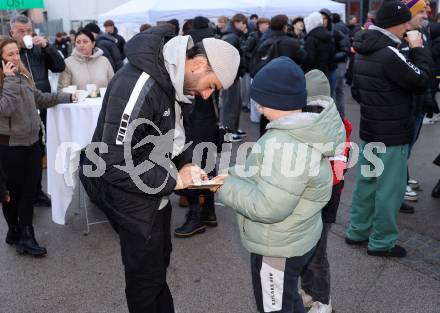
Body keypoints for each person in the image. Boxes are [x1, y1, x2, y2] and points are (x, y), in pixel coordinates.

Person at [79, 27, 240, 313]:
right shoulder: (141, 83)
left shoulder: (171, 77)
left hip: (154, 191)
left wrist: (187, 164)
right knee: (145, 280)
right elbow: (112, 160)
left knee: (157, 269)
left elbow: (174, 135)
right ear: (199, 64)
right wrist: (174, 180)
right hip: (131, 196)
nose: (205, 95)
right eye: (210, 85)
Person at [214, 56, 345, 313]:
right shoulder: (303, 129)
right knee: (288, 298)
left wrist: (224, 188)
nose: (258, 108)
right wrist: (233, 174)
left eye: (261, 101)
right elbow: (269, 173)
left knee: (275, 306)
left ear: (278, 101)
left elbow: (269, 207)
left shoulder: (284, 142)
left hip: (277, 245)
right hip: (296, 236)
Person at [346, 1, 431, 258]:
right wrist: (418, 49)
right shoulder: (389, 53)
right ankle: (382, 242)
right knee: (389, 190)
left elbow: (356, 91)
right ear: (396, 23)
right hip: (392, 134)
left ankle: (357, 230)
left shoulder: (363, 49)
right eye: (406, 21)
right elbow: (421, 79)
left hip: (372, 130)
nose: (409, 25)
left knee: (367, 183)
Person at [0, 38, 73, 256]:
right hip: (9, 146)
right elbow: (6, 109)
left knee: (29, 191)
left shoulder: (23, 75)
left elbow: (38, 99)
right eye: (10, 54)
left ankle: (22, 233)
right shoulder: (10, 80)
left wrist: (66, 97)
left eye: (16, 53)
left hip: (32, 142)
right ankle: (19, 233)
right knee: (12, 193)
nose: (15, 58)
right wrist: (10, 80)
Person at [300, 69, 352, 313]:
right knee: (306, 251)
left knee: (317, 254)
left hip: (323, 199)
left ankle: (323, 299)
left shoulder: (334, 126)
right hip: (312, 197)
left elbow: (337, 171)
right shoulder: (329, 120)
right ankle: (310, 292)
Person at [9, 14, 66, 208]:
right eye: (21, 31)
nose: (26, 34)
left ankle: (37, 192)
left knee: (39, 150)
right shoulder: (9, 54)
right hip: (20, 111)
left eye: (29, 31)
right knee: (22, 154)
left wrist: (47, 47)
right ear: (12, 32)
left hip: (42, 104)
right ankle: (21, 195)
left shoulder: (39, 50)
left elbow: (60, 66)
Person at [174, 16, 220, 238]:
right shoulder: (215, 45)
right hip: (209, 113)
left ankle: (195, 216)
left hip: (193, 113)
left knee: (189, 161)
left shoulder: (192, 51)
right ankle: (209, 211)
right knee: (208, 161)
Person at [398, 0, 432, 212]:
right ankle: (399, 188)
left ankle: (403, 181)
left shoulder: (420, 35)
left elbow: (425, 71)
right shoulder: (404, 40)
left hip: (418, 104)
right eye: (422, 10)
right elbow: (415, 75)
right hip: (408, 107)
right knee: (403, 151)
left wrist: (428, 98)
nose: (427, 13)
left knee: (406, 150)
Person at [252, 14, 308, 135]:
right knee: (286, 119)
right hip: (287, 88)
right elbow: (304, 58)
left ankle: (264, 144)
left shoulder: (264, 42)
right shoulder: (291, 42)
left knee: (266, 117)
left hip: (267, 87)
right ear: (285, 27)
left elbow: (255, 63)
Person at [221, 13, 248, 142]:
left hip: (232, 75)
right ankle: (228, 132)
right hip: (230, 76)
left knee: (234, 103)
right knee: (230, 104)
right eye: (243, 23)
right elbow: (227, 58)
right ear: (237, 22)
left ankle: (233, 129)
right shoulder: (231, 36)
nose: (244, 26)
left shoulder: (232, 35)